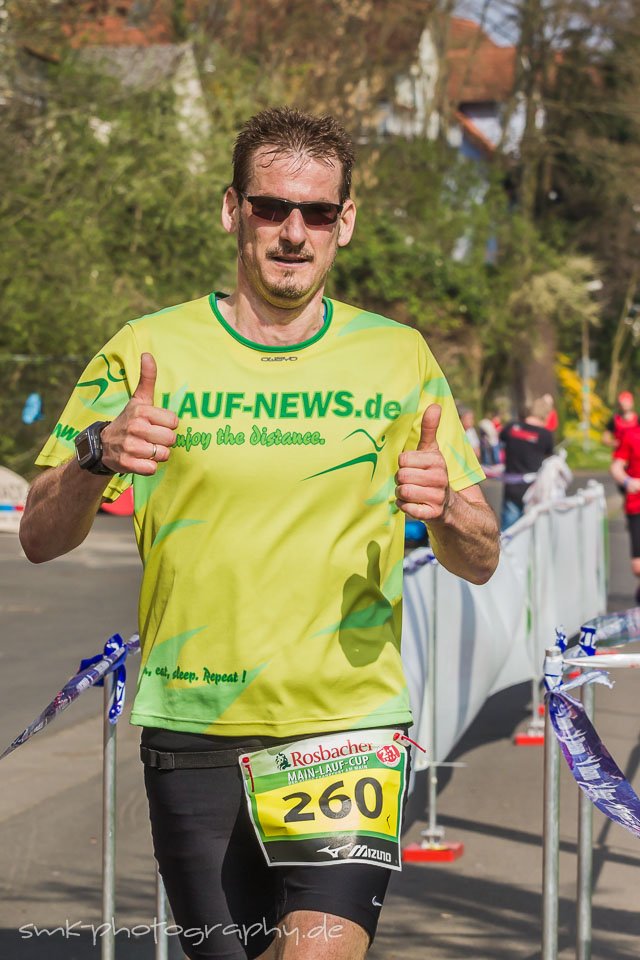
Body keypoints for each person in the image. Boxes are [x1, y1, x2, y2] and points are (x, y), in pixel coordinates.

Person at [19, 107, 500, 960]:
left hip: (347, 725)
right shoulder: (148, 350)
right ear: (232, 208)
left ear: (345, 222)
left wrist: (448, 507)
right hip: (196, 721)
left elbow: (482, 555)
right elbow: (39, 537)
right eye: (272, 207)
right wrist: (97, 452)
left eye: (317, 213)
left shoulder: (398, 356)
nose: (293, 233)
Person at [499, 397, 554, 530]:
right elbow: (549, 457)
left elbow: (501, 439)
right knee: (533, 532)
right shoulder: (545, 435)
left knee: (509, 532)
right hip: (533, 491)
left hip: (511, 487)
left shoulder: (511, 428)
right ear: (545, 415)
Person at [610, 426, 640, 604]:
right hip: (636, 505)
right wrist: (628, 481)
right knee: (637, 567)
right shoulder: (632, 435)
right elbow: (615, 467)